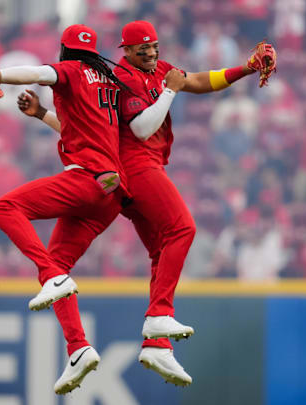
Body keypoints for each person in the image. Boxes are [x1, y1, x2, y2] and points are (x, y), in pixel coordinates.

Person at [17, 20, 273, 386]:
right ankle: (157, 319)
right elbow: (139, 130)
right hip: (134, 167)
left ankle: (144, 345)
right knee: (182, 228)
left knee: (155, 250)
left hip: (114, 175)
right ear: (126, 51)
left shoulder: (159, 71)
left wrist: (246, 69)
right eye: (143, 49)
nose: (151, 53)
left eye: (154, 47)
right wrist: (170, 93)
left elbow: (199, 81)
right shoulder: (124, 78)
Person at [0, 24, 132, 394]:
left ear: (65, 51)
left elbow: (36, 73)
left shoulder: (71, 70)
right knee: (59, 266)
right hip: (111, 192)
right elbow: (78, 129)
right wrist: (40, 114)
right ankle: (79, 348)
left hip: (88, 179)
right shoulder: (107, 80)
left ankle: (50, 274)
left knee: (2, 207)